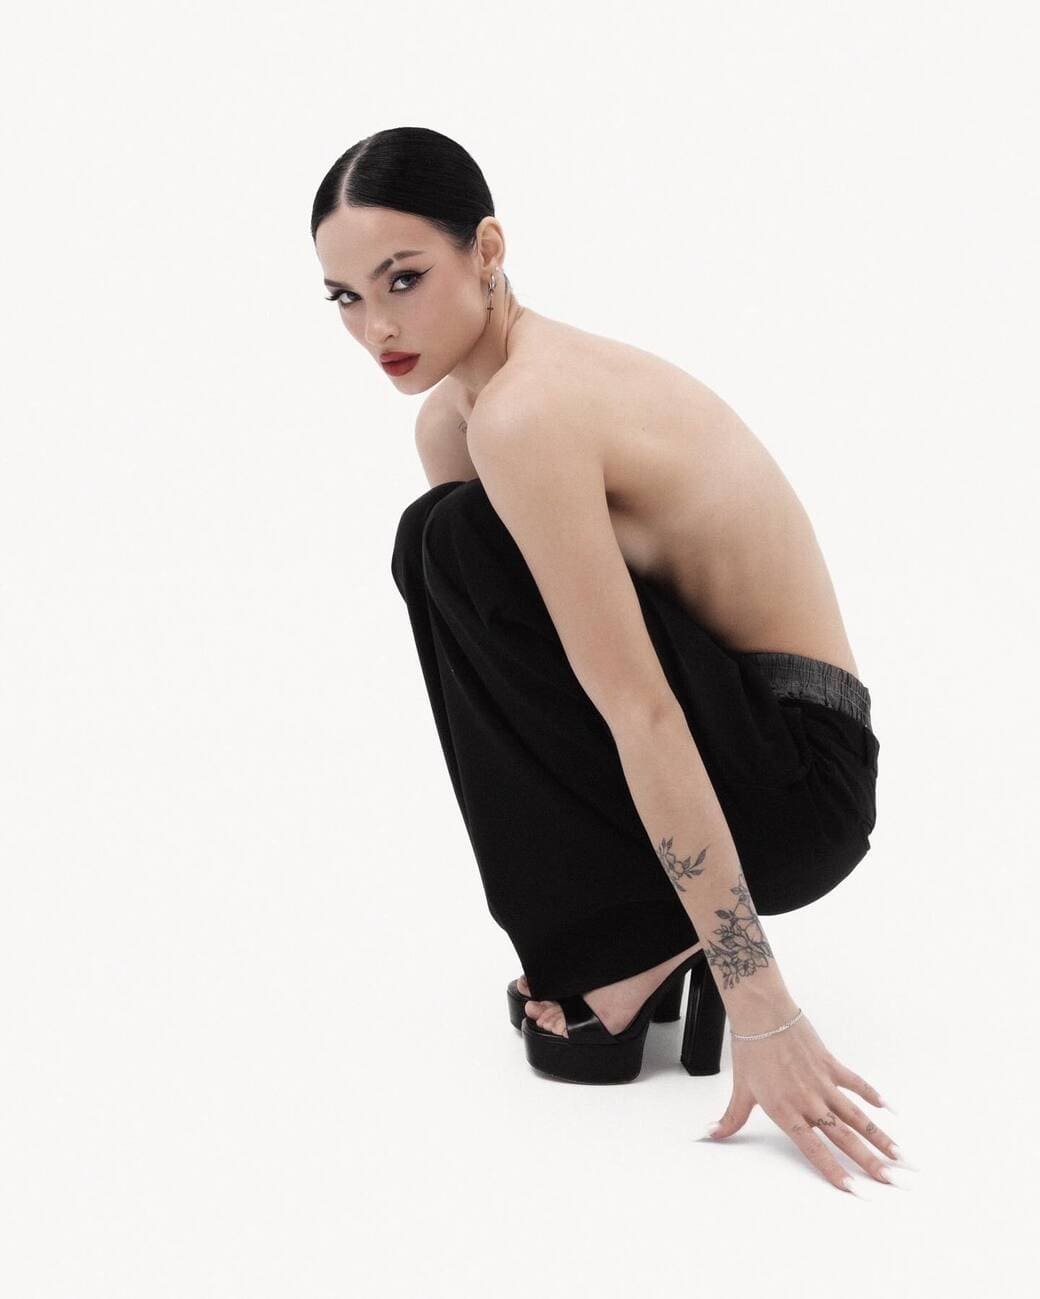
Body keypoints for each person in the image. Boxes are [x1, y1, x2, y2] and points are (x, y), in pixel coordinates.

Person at [311, 126, 904, 1194]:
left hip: (801, 781)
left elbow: (640, 709)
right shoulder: (456, 422)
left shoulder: (531, 410)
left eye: (403, 278)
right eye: (345, 298)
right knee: (441, 540)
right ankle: (618, 937)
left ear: (487, 250)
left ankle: (643, 950)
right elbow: (532, 698)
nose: (376, 327)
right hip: (730, 738)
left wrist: (761, 1002)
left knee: (452, 537)